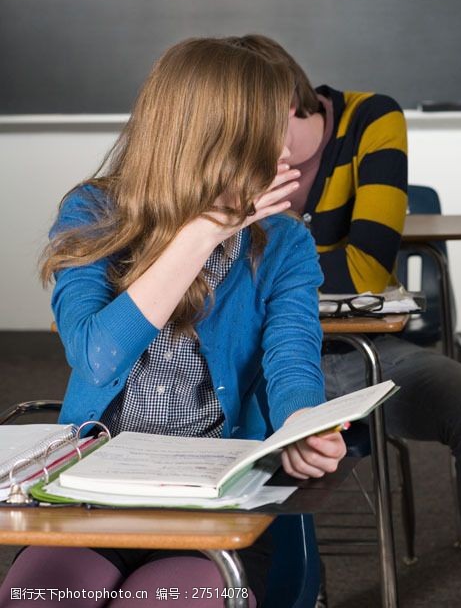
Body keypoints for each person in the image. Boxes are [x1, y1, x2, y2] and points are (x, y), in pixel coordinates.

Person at [0, 38, 346, 608]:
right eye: (268, 128)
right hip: (89, 497)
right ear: (216, 138)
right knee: (40, 597)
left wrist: (303, 426)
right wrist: (203, 231)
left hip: (212, 507)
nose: (286, 148)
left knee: (162, 600)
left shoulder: (285, 242)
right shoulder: (91, 211)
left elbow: (292, 360)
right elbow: (96, 355)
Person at [224, 34, 461, 608]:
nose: (248, 150)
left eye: (259, 129)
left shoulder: (372, 119)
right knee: (243, 429)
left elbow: (367, 268)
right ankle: (290, 591)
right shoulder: (233, 144)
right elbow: (211, 270)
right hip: (254, 357)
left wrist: (271, 267)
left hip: (364, 353)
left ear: (292, 104)